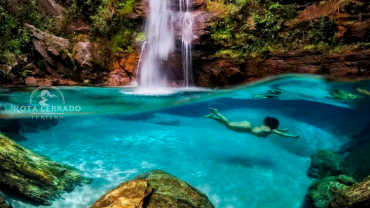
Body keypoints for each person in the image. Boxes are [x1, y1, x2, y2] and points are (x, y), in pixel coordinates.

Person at [204, 108, 300, 139]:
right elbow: (283, 135)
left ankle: (213, 117)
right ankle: (216, 112)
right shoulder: (271, 130)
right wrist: (294, 136)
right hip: (247, 128)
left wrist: (282, 130)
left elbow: (278, 132)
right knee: (228, 124)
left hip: (247, 125)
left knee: (227, 126)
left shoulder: (269, 129)